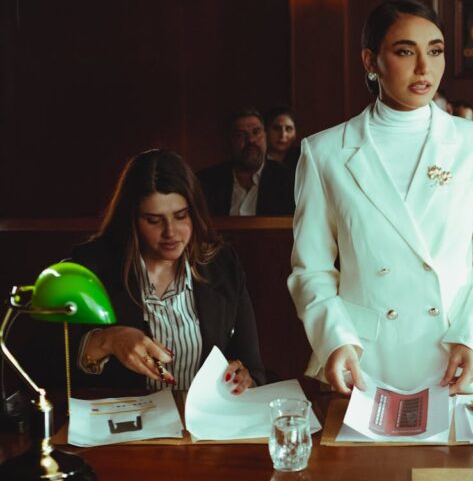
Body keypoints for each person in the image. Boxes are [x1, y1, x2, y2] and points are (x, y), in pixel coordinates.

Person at [288, 0, 473, 396]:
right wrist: (334, 339)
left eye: (435, 51)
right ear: (370, 60)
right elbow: (310, 269)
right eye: (404, 52)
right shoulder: (325, 152)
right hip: (367, 361)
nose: (424, 68)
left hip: (461, 354)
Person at [70, 149, 265, 392]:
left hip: (205, 423)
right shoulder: (93, 266)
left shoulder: (222, 263)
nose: (170, 232)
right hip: (128, 423)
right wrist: (108, 340)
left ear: (194, 214)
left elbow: (253, 367)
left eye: (181, 216)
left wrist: (245, 379)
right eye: (154, 220)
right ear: (132, 220)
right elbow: (43, 361)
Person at [197, 108, 295, 216]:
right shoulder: (207, 182)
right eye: (241, 135)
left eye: (256, 132)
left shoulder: (289, 181)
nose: (251, 140)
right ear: (229, 141)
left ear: (266, 136)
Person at [265, 105, 300, 173]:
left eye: (288, 129)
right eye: (277, 128)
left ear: (295, 133)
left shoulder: (302, 158)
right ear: (266, 130)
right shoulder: (258, 160)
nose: (283, 135)